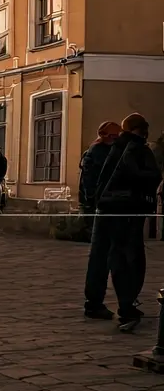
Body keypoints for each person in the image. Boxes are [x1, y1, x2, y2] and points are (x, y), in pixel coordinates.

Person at [88, 113, 161, 332]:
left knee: (104, 256)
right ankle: (126, 306)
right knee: (128, 258)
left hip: (106, 207)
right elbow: (146, 176)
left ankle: (98, 303)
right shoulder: (136, 148)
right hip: (127, 210)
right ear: (142, 129)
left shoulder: (113, 147)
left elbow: (98, 180)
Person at [82, 121, 123, 319]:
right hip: (103, 209)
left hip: (106, 207)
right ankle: (94, 302)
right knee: (100, 256)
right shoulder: (97, 152)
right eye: (112, 137)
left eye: (118, 137)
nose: (115, 140)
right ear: (103, 135)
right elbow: (90, 183)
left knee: (105, 255)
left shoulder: (106, 151)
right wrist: (94, 204)